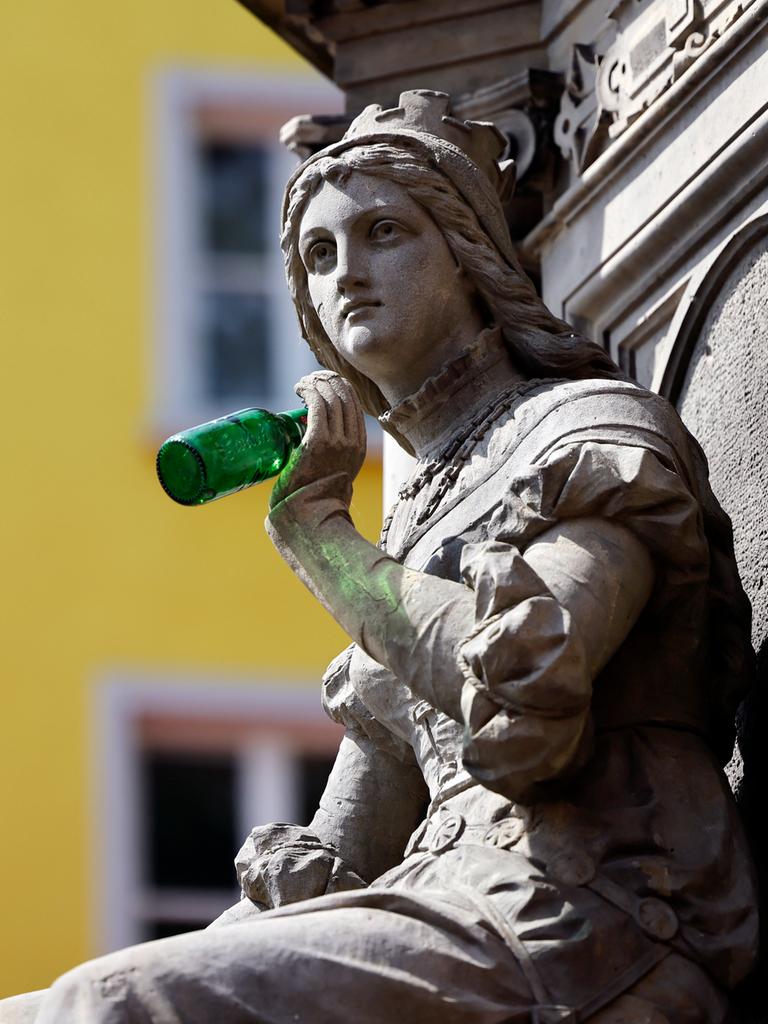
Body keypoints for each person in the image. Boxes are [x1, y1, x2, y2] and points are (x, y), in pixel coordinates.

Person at [8, 89, 758, 1023]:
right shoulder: (416, 517)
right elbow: (346, 852)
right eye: (319, 255)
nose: (347, 274)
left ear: (468, 255)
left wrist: (324, 543)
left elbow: (528, 687)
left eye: (385, 232)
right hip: (452, 899)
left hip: (592, 912)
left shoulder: (589, 434)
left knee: (108, 1003)